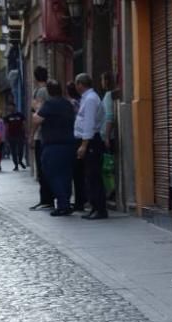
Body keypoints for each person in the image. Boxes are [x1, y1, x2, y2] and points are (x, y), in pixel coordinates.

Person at [30, 80, 77, 217]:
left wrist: (36, 108)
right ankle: (66, 202)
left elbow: (36, 120)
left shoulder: (50, 104)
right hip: (69, 144)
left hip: (53, 145)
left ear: (49, 92)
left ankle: (62, 205)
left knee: (52, 173)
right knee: (66, 175)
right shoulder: (67, 103)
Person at [73, 73, 107, 219]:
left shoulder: (91, 99)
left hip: (91, 141)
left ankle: (99, 208)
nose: (76, 87)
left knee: (93, 175)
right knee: (89, 175)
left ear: (80, 84)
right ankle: (94, 206)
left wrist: (84, 145)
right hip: (88, 141)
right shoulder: (86, 98)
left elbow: (89, 123)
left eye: (76, 84)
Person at [29, 66, 54, 210]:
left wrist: (32, 135)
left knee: (42, 168)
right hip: (47, 135)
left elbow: (37, 114)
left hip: (41, 136)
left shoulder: (40, 92)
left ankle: (46, 199)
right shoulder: (49, 90)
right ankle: (48, 198)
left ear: (35, 77)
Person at [66, 80, 87, 212]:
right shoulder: (83, 101)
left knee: (77, 172)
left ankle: (80, 201)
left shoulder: (72, 104)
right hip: (83, 138)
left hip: (76, 139)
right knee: (82, 172)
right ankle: (83, 199)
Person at [99, 71, 117, 201]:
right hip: (107, 136)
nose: (101, 83)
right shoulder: (108, 95)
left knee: (107, 167)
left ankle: (111, 190)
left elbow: (110, 117)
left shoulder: (108, 96)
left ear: (106, 81)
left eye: (102, 80)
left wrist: (106, 137)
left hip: (108, 137)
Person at [4, 102, 27, 170]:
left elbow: (24, 124)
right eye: (9, 107)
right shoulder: (7, 117)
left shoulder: (20, 115)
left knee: (20, 149)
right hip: (11, 136)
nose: (11, 109)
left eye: (12, 107)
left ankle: (20, 160)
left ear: (14, 107)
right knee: (13, 151)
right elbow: (6, 126)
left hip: (20, 135)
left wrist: (26, 133)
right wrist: (6, 136)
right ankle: (16, 165)